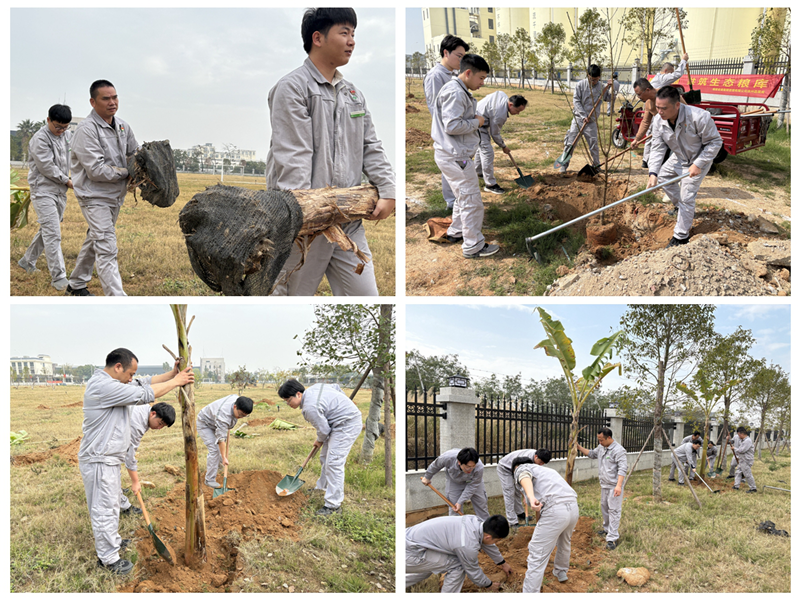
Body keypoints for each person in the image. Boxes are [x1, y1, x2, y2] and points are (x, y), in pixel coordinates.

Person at [265, 8, 395, 296]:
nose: (352, 41)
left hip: (347, 220)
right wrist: (301, 216)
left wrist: (388, 190)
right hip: (306, 224)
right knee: (290, 297)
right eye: (344, 32)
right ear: (318, 38)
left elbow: (370, 145)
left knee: (365, 297)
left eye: (353, 34)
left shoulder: (353, 94)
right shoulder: (293, 88)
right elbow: (293, 155)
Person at [79, 348, 193, 575]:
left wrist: (172, 374)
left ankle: (113, 542)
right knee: (104, 509)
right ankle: (108, 560)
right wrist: (178, 381)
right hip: (100, 460)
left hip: (108, 459)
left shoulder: (117, 383)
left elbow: (145, 383)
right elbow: (144, 394)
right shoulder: (103, 386)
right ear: (118, 367)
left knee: (111, 506)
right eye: (130, 373)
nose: (132, 379)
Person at [67, 80, 138, 296]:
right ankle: (117, 298)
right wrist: (128, 173)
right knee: (106, 246)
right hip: (94, 196)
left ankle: (76, 283)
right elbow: (96, 170)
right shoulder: (86, 130)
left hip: (115, 195)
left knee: (96, 238)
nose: (112, 102)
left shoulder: (123, 126)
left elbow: (135, 154)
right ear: (93, 101)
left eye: (115, 97)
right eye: (105, 98)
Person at [431, 53, 498, 258]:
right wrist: (477, 122)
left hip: (453, 154)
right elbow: (452, 125)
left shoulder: (459, 91)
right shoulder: (455, 93)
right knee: (471, 200)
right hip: (455, 156)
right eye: (481, 78)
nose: (482, 83)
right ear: (468, 73)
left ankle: (456, 231)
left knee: (462, 197)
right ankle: (473, 246)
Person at [646, 85, 723, 248]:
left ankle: (681, 236)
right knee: (664, 178)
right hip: (679, 156)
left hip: (698, 159)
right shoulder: (659, 120)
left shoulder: (699, 117)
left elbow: (715, 142)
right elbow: (658, 146)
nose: (660, 112)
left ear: (677, 105)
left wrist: (698, 163)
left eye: (664, 108)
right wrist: (653, 172)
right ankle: (682, 209)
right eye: (658, 107)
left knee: (687, 196)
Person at [278, 380, 362, 516]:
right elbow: (336, 387)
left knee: (334, 462)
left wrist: (319, 440)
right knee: (324, 457)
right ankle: (322, 488)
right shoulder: (315, 388)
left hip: (347, 424)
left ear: (298, 394)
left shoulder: (310, 408)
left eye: (288, 400)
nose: (288, 404)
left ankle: (333, 505)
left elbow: (323, 430)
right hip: (335, 424)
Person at [17, 104, 73, 291]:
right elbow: (47, 167)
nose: (61, 131)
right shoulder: (39, 139)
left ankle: (27, 261)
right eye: (58, 126)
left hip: (59, 192)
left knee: (48, 229)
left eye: (65, 127)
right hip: (43, 191)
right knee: (53, 233)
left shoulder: (66, 136)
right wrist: (68, 181)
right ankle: (59, 277)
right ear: (48, 120)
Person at [512, 458, 579, 592]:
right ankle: (561, 571)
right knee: (564, 541)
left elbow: (523, 475)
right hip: (573, 507)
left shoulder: (521, 468)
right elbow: (541, 505)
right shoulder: (547, 471)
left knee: (537, 555)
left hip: (555, 510)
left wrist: (530, 497)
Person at [406, 514, 512, 592]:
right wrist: (489, 585)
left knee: (431, 566)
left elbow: (487, 544)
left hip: (409, 541)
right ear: (488, 536)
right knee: (458, 565)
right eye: (497, 540)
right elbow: (473, 571)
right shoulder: (467, 544)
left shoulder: (474, 521)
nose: (496, 543)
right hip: (410, 553)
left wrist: (502, 563)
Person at [424, 34, 469, 210]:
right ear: (445, 53)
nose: (461, 60)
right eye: (459, 56)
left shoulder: (452, 75)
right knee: (449, 163)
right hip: (446, 128)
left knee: (457, 162)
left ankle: (458, 197)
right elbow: (435, 107)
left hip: (456, 126)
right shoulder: (435, 76)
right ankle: (451, 202)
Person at [119, 402, 176, 515]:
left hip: (115, 434)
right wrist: (135, 482)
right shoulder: (137, 424)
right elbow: (129, 456)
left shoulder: (145, 409)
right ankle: (123, 507)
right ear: (153, 413)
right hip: (103, 444)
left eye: (162, 427)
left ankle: (117, 490)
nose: (159, 428)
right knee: (110, 472)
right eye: (160, 423)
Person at [576, 427, 627, 550]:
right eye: (598, 440)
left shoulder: (619, 451)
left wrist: (619, 486)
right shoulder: (601, 447)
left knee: (614, 510)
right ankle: (607, 529)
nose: (600, 442)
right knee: (604, 507)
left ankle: (612, 538)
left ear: (609, 438)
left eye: (601, 440)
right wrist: (578, 447)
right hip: (604, 485)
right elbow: (592, 454)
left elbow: (622, 468)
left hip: (614, 486)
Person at [559, 64, 611, 173]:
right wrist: (583, 115)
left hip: (591, 122)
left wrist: (612, 88)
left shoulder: (602, 87)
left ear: (599, 77)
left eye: (596, 80)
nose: (594, 82)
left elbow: (609, 98)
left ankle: (596, 165)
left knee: (594, 144)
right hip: (578, 120)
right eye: (591, 80)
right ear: (588, 76)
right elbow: (576, 101)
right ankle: (563, 165)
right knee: (570, 143)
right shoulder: (580, 85)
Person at [196, 395, 253, 489]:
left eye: (245, 416)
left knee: (218, 451)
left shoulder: (238, 400)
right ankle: (209, 479)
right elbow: (221, 439)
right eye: (241, 414)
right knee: (214, 450)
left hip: (215, 421)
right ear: (235, 406)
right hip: (205, 423)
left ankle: (215, 467)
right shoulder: (223, 416)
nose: (241, 417)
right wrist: (224, 457)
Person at [475, 92, 528, 194]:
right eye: (517, 111)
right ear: (510, 105)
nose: (517, 113)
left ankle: (478, 172)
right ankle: (490, 185)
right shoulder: (500, 114)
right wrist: (503, 146)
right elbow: (494, 133)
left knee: (481, 149)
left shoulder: (503, 96)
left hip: (480, 120)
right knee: (487, 153)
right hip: (477, 125)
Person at [631, 78, 687, 169]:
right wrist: (637, 139)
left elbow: (685, 111)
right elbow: (646, 122)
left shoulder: (667, 94)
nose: (639, 97)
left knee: (675, 164)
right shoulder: (648, 103)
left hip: (679, 134)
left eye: (639, 94)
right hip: (664, 137)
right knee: (660, 164)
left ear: (647, 90)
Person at [421, 447, 489, 520]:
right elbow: (436, 465)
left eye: (473, 466)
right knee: (454, 507)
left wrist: (460, 502)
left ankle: (486, 527)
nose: (470, 469)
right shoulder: (448, 458)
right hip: (454, 481)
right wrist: (427, 477)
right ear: (459, 462)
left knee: (481, 504)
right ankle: (456, 528)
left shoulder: (479, 467)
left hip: (472, 481)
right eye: (468, 467)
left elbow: (473, 486)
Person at [496, 448, 550, 527]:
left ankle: (520, 513)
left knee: (517, 492)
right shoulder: (526, 460)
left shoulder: (536, 458)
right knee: (509, 493)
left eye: (543, 463)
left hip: (516, 469)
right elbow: (522, 478)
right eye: (540, 462)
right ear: (536, 457)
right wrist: (525, 495)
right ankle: (512, 522)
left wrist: (525, 494)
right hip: (505, 468)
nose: (541, 465)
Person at [730, 427, 757, 493]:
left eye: (739, 435)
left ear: (741, 434)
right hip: (742, 460)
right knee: (738, 472)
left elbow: (742, 450)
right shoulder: (744, 440)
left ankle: (753, 488)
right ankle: (736, 486)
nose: (738, 436)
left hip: (746, 460)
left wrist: (734, 448)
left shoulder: (747, 441)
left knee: (747, 474)